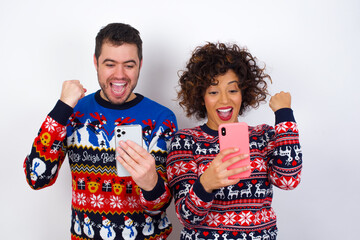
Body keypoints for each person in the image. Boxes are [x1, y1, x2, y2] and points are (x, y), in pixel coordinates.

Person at [24, 23, 178, 240]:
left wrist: (151, 183)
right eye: (110, 64)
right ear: (95, 62)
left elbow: (158, 208)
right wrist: (62, 108)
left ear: (140, 65)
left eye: (129, 65)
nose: (119, 75)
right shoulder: (72, 112)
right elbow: (36, 177)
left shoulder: (161, 119)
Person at [166, 42, 302, 240]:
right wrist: (206, 184)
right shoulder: (185, 142)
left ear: (243, 93)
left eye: (232, 90)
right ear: (201, 97)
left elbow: (288, 179)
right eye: (213, 92)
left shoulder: (262, 136)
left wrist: (284, 115)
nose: (224, 101)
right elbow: (187, 217)